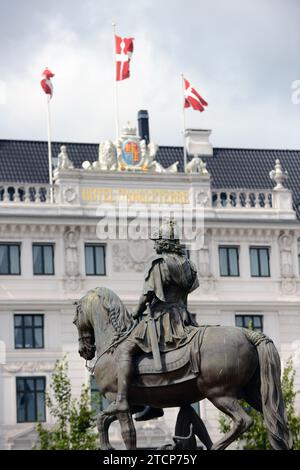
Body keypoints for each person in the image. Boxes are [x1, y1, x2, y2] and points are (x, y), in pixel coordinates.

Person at [105, 220, 199, 416]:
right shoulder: (189, 265)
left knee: (125, 350)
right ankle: (151, 403)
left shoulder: (160, 264)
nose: (155, 244)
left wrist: (135, 312)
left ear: (163, 243)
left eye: (157, 241)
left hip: (162, 318)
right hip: (184, 318)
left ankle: (122, 400)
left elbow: (148, 295)